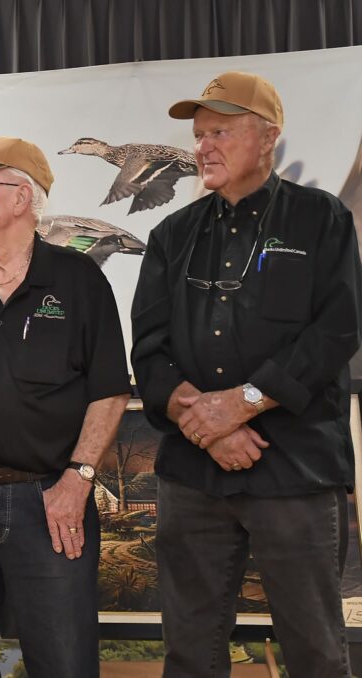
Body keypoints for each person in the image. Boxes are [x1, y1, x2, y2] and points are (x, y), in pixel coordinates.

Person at [131, 71, 362, 677]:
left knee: (314, 648)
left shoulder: (322, 219)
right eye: (200, 134)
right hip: (192, 473)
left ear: (269, 138)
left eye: (222, 131)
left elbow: (336, 332)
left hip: (295, 470)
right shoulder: (170, 235)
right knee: (190, 651)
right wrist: (207, 423)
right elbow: (150, 352)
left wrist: (245, 402)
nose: (204, 145)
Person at [0, 136, 131, 677]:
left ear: (20, 198)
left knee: (63, 661)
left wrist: (77, 482)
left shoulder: (79, 280)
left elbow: (110, 391)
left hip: (50, 504)